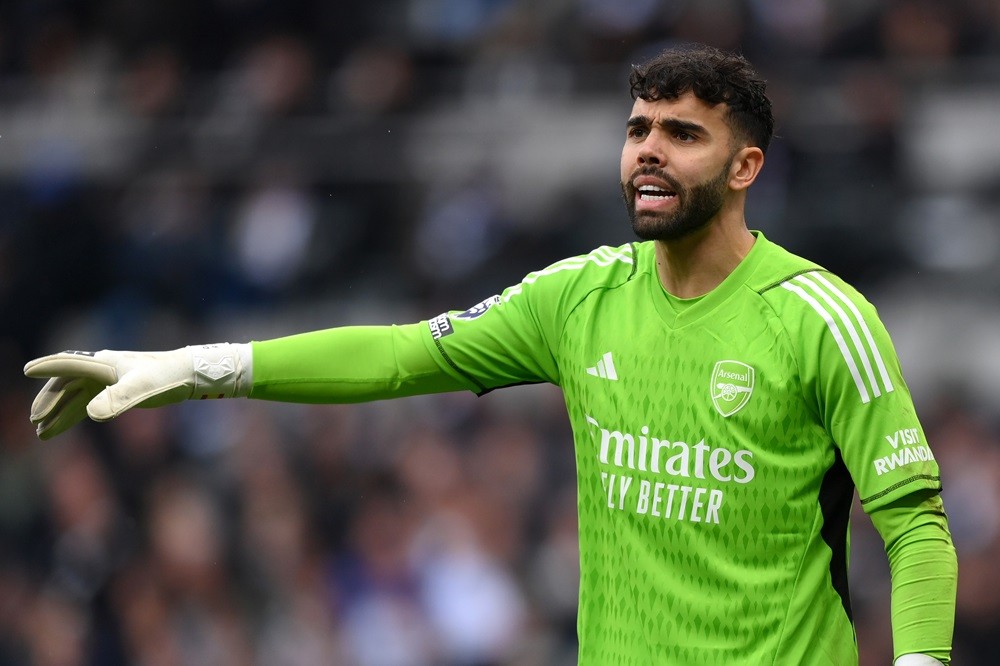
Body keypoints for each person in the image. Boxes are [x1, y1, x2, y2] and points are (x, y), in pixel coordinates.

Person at [24, 45, 956, 665]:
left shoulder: (821, 318)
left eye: (682, 134)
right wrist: (195, 367)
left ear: (745, 167)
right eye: (637, 130)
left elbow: (915, 528)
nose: (648, 153)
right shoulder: (580, 296)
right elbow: (397, 358)